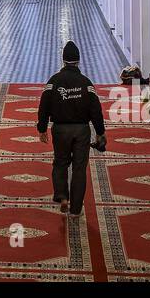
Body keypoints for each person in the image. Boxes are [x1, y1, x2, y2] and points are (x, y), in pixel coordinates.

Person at [37, 40, 106, 216]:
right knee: (79, 168)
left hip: (60, 130)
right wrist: (100, 133)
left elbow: (43, 106)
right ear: (78, 60)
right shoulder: (86, 83)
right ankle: (76, 209)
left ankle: (62, 197)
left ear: (63, 60)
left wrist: (42, 128)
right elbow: (96, 110)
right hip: (82, 131)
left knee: (60, 163)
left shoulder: (53, 82)